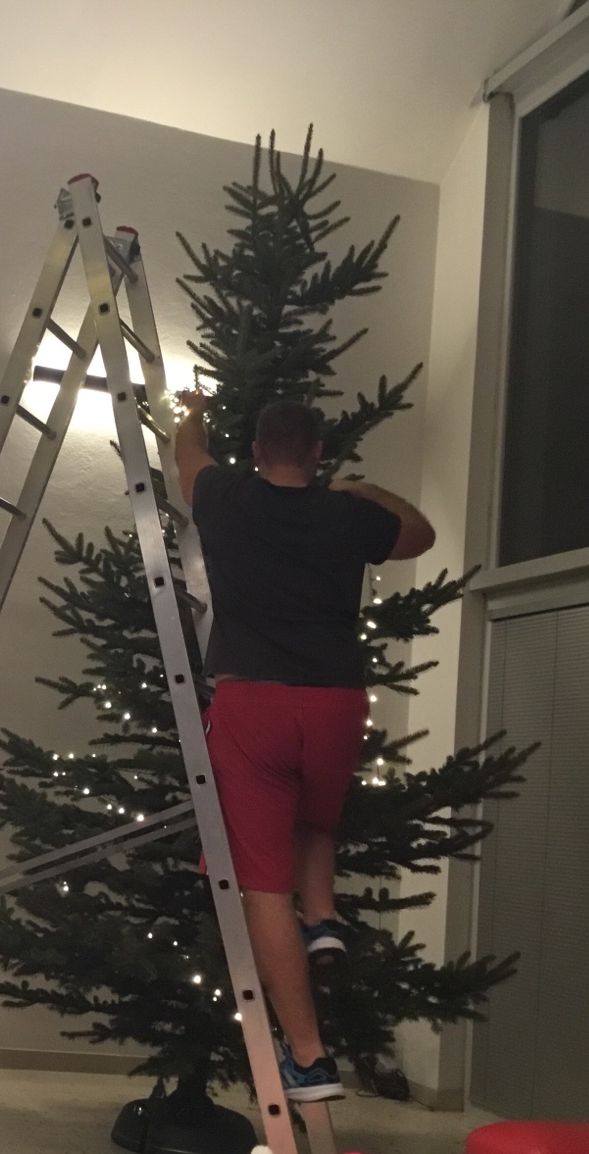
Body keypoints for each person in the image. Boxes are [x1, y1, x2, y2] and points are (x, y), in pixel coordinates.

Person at [174, 397, 435, 1103]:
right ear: (317, 453)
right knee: (317, 818)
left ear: (258, 451)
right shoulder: (345, 512)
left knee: (263, 884)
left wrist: (191, 411)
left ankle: (310, 1057)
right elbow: (420, 534)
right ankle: (322, 919)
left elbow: (186, 457)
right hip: (336, 701)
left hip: (255, 701)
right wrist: (361, 489)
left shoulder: (227, 496)